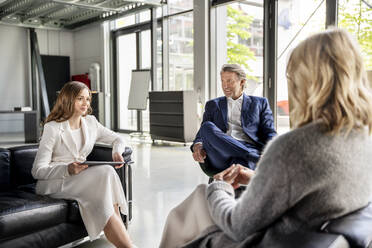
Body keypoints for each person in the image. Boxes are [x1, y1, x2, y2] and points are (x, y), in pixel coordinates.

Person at [160, 28, 372, 248]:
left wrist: (218, 186)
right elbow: (316, 191)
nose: (225, 85)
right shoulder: (363, 137)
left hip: (266, 238)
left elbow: (238, 224)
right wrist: (258, 177)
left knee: (198, 200)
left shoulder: (291, 146)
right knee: (208, 130)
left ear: (306, 82)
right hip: (298, 222)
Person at [32, 81, 134, 248]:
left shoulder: (91, 123)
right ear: (67, 100)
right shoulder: (53, 128)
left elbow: (118, 138)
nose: (86, 103)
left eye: (88, 99)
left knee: (107, 176)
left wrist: (117, 151)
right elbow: (37, 171)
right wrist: (67, 169)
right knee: (106, 172)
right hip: (56, 182)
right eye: (80, 98)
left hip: (80, 179)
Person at [191, 64, 276, 175]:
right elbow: (202, 134)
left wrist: (273, 152)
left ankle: (248, 158)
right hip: (220, 153)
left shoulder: (260, 103)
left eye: (229, 81)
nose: (225, 86)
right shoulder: (213, 104)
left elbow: (269, 132)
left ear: (242, 82)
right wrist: (198, 145)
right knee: (207, 126)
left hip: (247, 147)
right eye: (222, 81)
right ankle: (252, 157)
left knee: (239, 167)